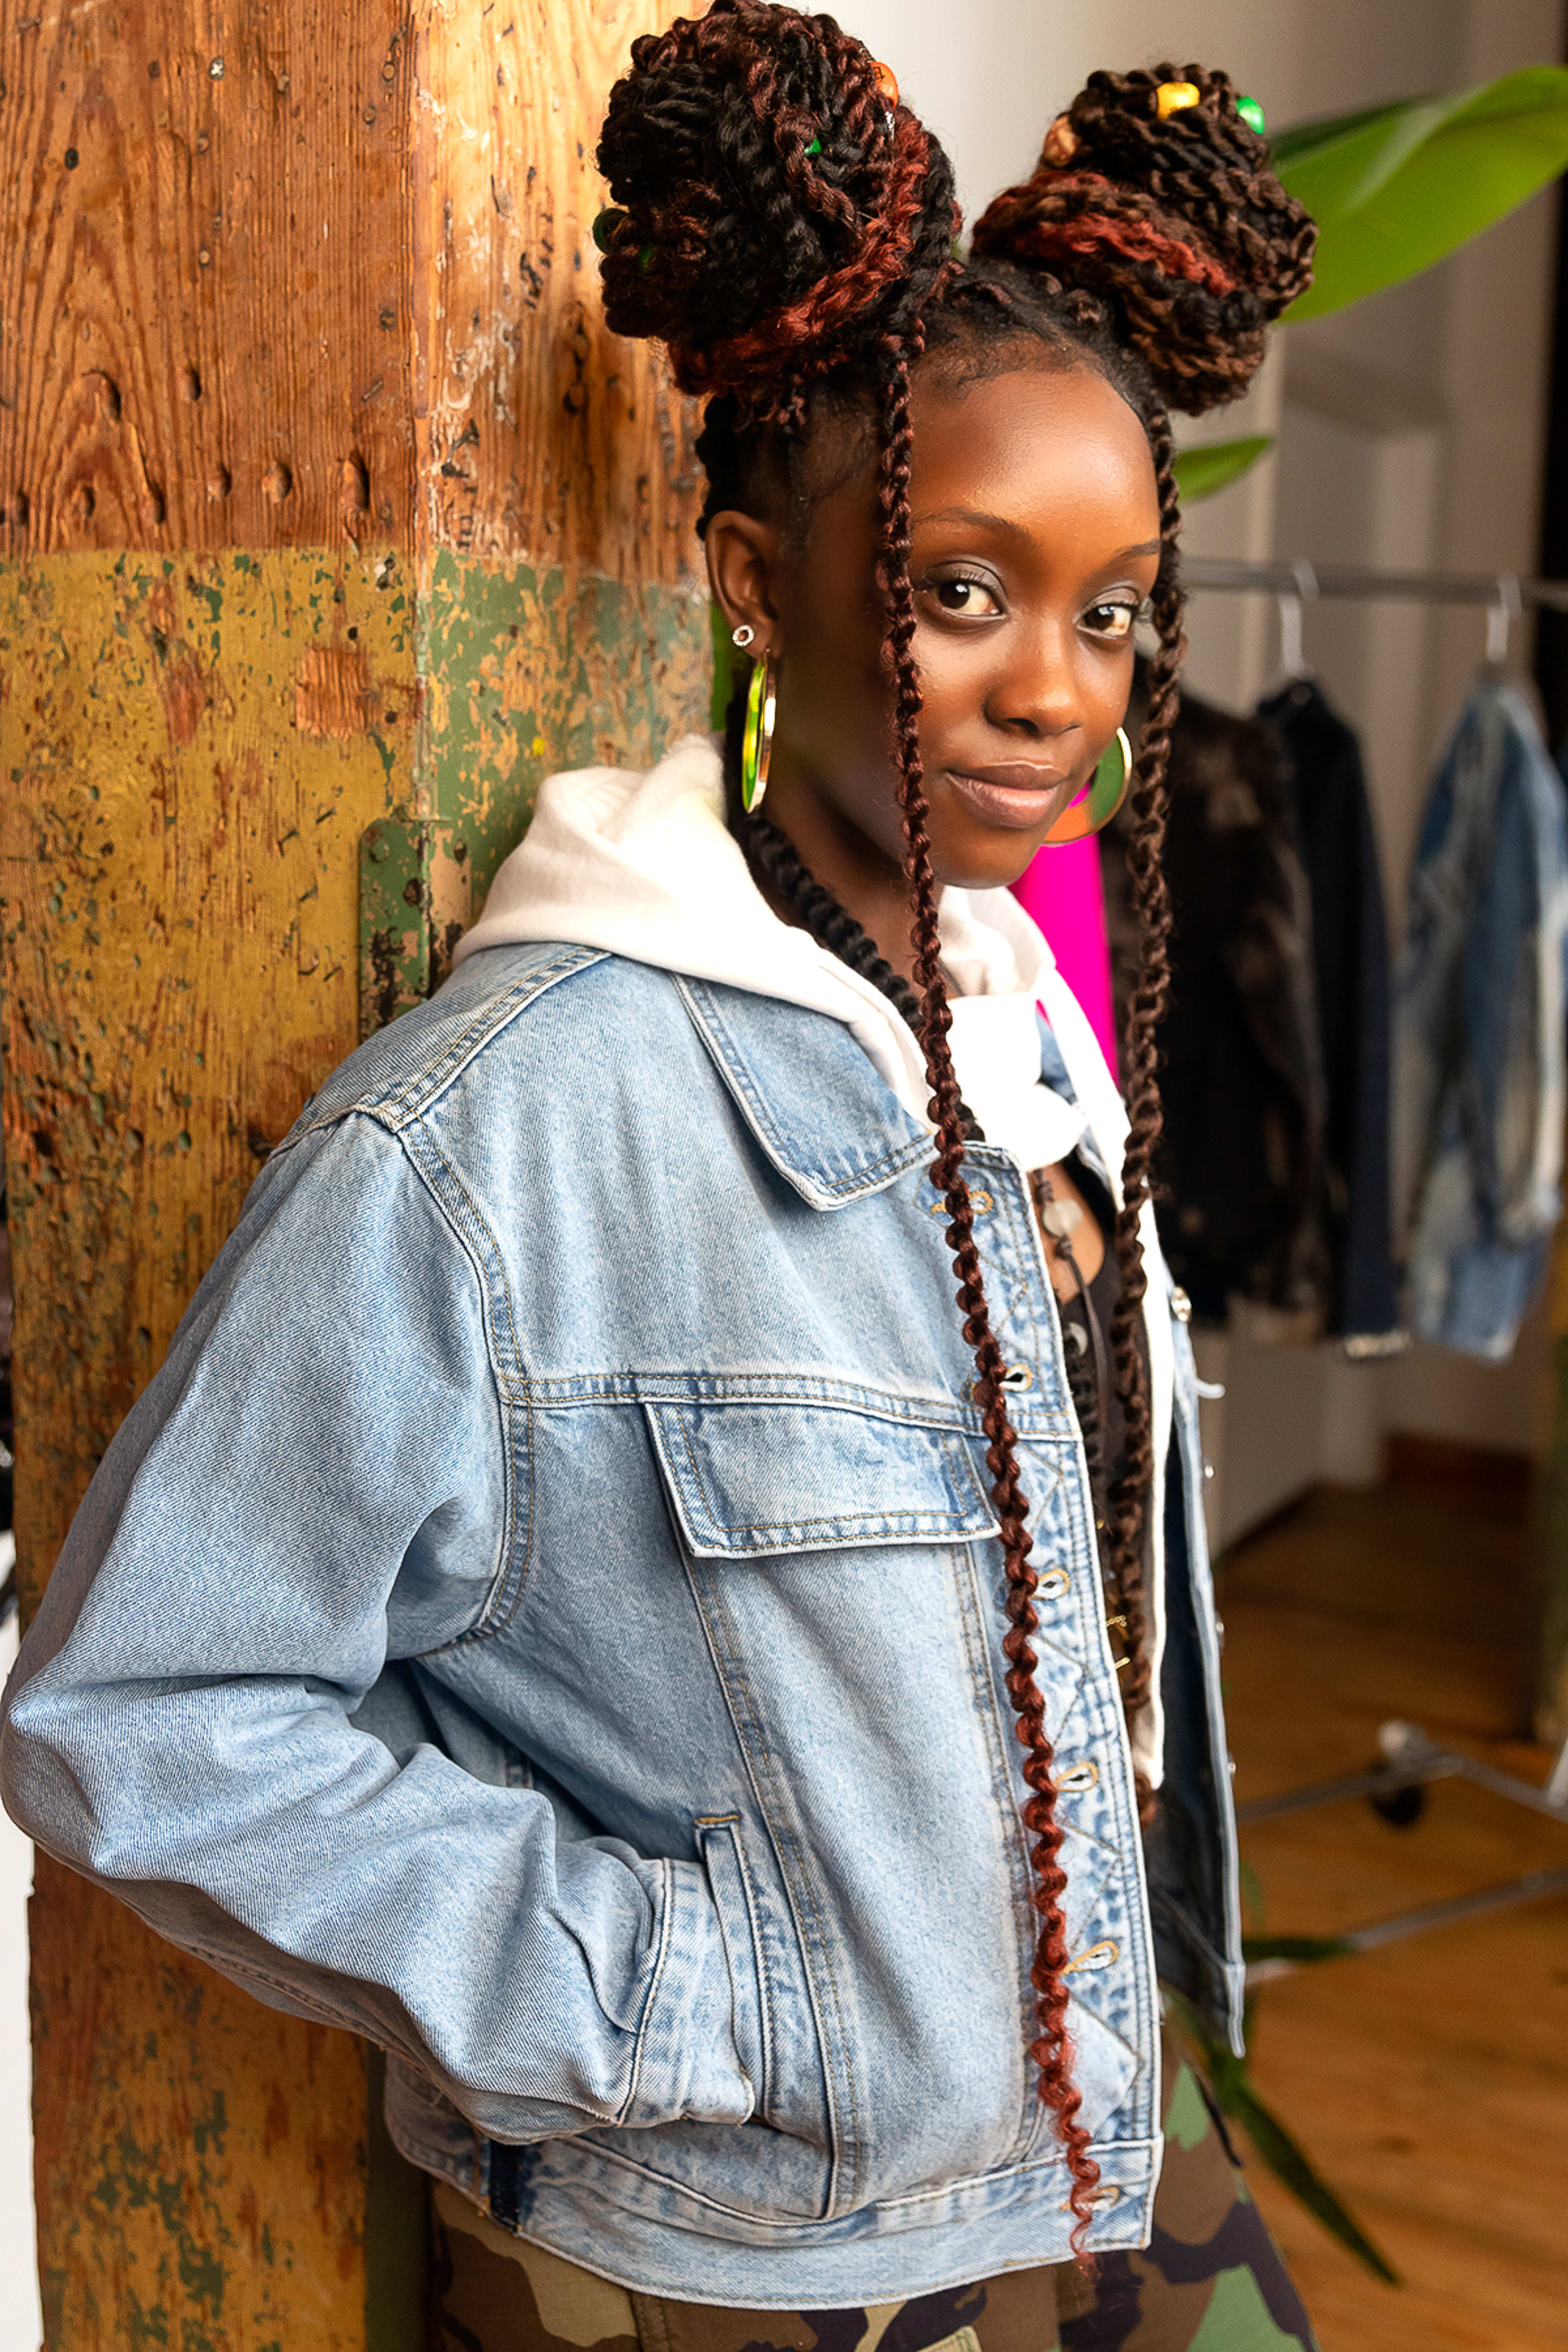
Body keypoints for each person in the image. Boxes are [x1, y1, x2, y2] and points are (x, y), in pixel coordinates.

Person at [2, 7, 1321, 2345]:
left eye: (1111, 610)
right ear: (748, 577)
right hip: (744, 2247)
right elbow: (151, 1707)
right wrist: (687, 2005)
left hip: (1094, 2111)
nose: (1060, 688)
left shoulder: (1022, 1034)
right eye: (959, 589)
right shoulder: (513, 1122)